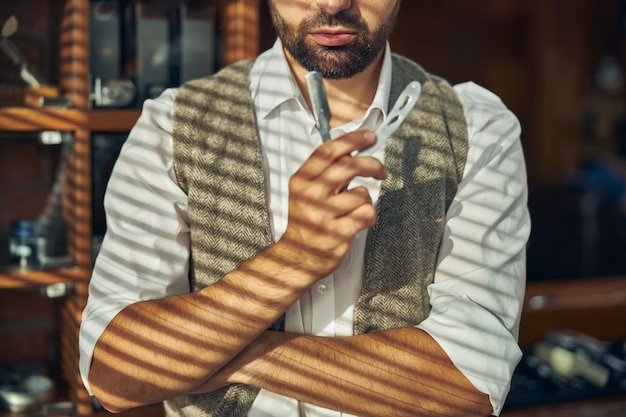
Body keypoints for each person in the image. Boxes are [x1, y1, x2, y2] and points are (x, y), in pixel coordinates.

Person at [79, 1, 530, 416]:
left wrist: (224, 356)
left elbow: (471, 384)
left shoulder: (478, 127)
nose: (333, 4)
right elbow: (114, 375)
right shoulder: (171, 127)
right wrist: (293, 260)